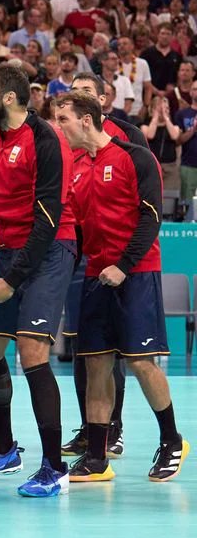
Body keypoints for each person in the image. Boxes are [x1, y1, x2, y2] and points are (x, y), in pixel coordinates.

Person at [52, 91, 188, 483]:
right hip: (96, 275)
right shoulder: (76, 166)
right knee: (96, 364)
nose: (59, 128)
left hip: (137, 272)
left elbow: (150, 219)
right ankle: (96, 457)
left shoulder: (135, 157)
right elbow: (76, 231)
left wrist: (124, 266)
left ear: (86, 121)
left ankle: (171, 439)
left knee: (142, 362)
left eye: (64, 120)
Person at [0, 65, 76, 498]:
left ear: (8, 97)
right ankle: (4, 449)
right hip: (8, 250)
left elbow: (48, 217)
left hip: (49, 249)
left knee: (31, 350)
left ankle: (54, 466)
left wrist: (12, 278)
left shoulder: (46, 139)